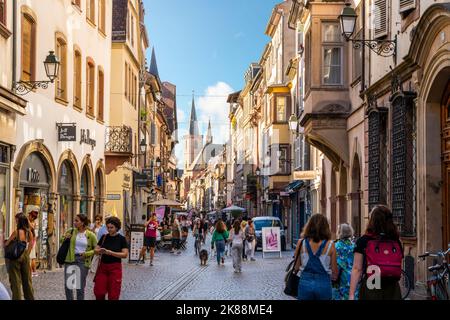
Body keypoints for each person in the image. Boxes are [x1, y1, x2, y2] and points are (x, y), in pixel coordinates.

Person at [349, 205, 403, 300]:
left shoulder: (364, 240)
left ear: (372, 220)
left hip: (372, 281)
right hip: (392, 284)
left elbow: (357, 269)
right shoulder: (396, 241)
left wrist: (351, 294)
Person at [293, 213, 338, 300]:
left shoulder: (301, 243)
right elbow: (334, 270)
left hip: (305, 281)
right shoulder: (330, 244)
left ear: (309, 226)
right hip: (323, 282)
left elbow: (296, 267)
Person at [62, 214, 97, 300]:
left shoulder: (91, 235)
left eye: (77, 221)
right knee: (69, 286)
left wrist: (87, 254)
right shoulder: (71, 231)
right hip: (70, 259)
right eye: (74, 220)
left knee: (80, 287)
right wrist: (65, 238)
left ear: (82, 222)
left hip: (82, 261)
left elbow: (97, 249)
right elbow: (62, 241)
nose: (74, 222)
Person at [94, 217, 128, 300]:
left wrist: (111, 253)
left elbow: (125, 254)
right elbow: (95, 250)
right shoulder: (104, 237)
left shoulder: (121, 239)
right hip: (102, 267)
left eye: (111, 227)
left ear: (117, 227)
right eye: (108, 227)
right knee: (99, 291)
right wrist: (99, 251)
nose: (109, 229)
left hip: (115, 269)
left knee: (113, 294)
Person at [5, 213, 34, 300]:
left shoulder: (16, 232)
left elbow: (7, 244)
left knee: (16, 281)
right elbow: (31, 244)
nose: (15, 221)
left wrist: (6, 242)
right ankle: (30, 298)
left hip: (15, 256)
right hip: (25, 255)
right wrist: (27, 254)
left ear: (19, 221)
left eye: (16, 220)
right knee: (27, 281)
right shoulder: (29, 232)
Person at [332, 223, 357, 300]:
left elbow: (336, 264)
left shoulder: (336, 245)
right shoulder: (354, 245)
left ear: (339, 232)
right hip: (353, 277)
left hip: (341, 278)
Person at [26, 208, 38, 277]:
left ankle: (31, 272)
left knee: (31, 257)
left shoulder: (32, 223)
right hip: (32, 240)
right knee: (32, 257)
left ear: (32, 217)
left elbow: (31, 227)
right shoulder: (32, 223)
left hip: (31, 241)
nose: (28, 216)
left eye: (30, 215)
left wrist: (26, 219)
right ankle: (34, 271)